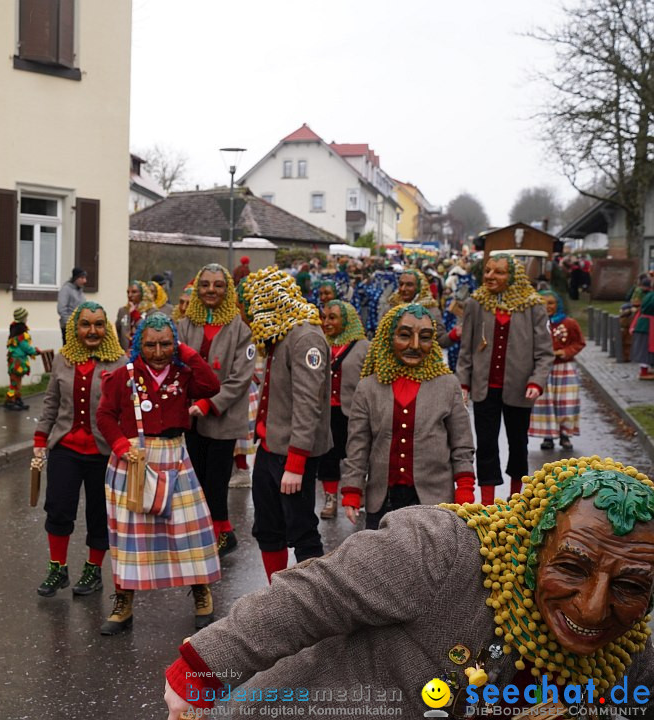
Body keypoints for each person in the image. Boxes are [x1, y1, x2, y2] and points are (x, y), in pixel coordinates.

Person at [162, 456, 654, 717]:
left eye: (629, 586)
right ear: (533, 543)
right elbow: (314, 594)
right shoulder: (440, 550)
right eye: (571, 568)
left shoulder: (631, 653)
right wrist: (201, 673)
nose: (592, 610)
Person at [96, 313, 221, 635]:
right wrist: (121, 446)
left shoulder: (183, 373)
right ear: (139, 344)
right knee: (128, 537)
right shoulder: (123, 376)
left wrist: (186, 352)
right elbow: (105, 415)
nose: (158, 351)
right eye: (150, 344)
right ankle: (124, 603)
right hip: (133, 460)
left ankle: (201, 594)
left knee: (188, 531)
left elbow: (212, 385)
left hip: (175, 456)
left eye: (166, 343)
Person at [340, 303, 474, 529]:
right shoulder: (368, 387)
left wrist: (465, 490)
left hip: (434, 502)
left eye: (425, 337)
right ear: (387, 337)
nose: (414, 345)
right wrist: (352, 490)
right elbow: (358, 445)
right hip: (383, 500)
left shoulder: (448, 385)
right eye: (404, 335)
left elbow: (462, 444)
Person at [239, 267, 331, 582]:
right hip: (269, 447)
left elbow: (309, 405)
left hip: (291, 453)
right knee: (268, 528)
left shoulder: (305, 337)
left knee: (302, 530)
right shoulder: (280, 334)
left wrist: (296, 461)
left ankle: (315, 605)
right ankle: (276, 597)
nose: (248, 314)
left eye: (251, 305)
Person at [33, 302, 125, 597]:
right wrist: (39, 440)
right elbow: (50, 403)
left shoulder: (120, 362)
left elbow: (126, 410)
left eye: (99, 324)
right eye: (85, 324)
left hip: (104, 452)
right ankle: (57, 568)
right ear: (75, 328)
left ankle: (93, 570)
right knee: (58, 508)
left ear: (106, 328)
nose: (92, 330)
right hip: (66, 447)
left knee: (100, 514)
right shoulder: (63, 359)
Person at [457, 254, 554, 505]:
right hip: (484, 387)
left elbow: (545, 352)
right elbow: (466, 348)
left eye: (498, 272)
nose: (490, 276)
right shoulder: (476, 304)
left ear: (512, 277)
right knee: (486, 445)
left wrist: (536, 381)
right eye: (487, 271)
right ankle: (488, 503)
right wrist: (464, 382)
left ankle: (516, 497)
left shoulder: (533, 305)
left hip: (520, 388)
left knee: (518, 444)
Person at [176, 264, 254, 557]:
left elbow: (240, 377)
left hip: (224, 417)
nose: (211, 290)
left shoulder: (240, 330)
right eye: (205, 284)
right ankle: (205, 531)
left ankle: (224, 532)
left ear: (227, 290)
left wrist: (211, 403)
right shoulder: (184, 325)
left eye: (218, 285)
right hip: (191, 419)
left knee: (216, 480)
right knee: (194, 478)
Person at [316, 300, 368, 520]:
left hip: (353, 411)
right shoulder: (318, 343)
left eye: (333, 317)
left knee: (356, 453)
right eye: (324, 317)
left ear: (346, 320)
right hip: (325, 411)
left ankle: (359, 490)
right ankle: (330, 498)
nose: (327, 322)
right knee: (327, 457)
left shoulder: (363, 347)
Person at [529, 291, 586, 450]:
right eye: (543, 303)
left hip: (564, 368)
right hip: (543, 368)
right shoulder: (534, 324)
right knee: (545, 402)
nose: (547, 307)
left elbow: (579, 343)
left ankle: (565, 435)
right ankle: (548, 436)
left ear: (558, 304)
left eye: (551, 303)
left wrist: (565, 352)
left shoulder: (569, 323)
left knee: (566, 402)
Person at [389, 267, 460, 348]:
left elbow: (440, 340)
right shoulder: (392, 307)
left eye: (409, 285)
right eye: (401, 284)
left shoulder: (430, 310)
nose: (403, 288)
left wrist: (454, 334)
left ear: (419, 288)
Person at [4, 308, 39, 411]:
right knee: (15, 381)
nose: (27, 319)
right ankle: (10, 401)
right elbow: (25, 346)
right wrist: (34, 351)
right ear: (22, 318)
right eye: (26, 317)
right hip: (17, 361)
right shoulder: (21, 332)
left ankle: (17, 399)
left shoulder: (14, 328)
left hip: (15, 359)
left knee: (17, 381)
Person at [630, 278, 654, 380]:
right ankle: (644, 372)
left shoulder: (649, 295)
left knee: (644, 348)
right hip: (648, 326)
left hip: (644, 324)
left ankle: (645, 371)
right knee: (645, 349)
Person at [57, 267, 88, 341]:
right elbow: (61, 309)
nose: (85, 281)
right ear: (76, 278)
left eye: (85, 278)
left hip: (81, 327)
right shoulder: (66, 289)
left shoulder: (80, 291)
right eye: (82, 278)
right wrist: (70, 324)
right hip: (69, 328)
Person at [116, 281, 146, 350]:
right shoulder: (122, 311)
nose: (129, 295)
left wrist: (134, 314)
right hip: (125, 353)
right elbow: (117, 333)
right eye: (128, 292)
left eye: (134, 292)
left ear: (142, 294)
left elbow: (145, 329)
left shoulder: (149, 311)